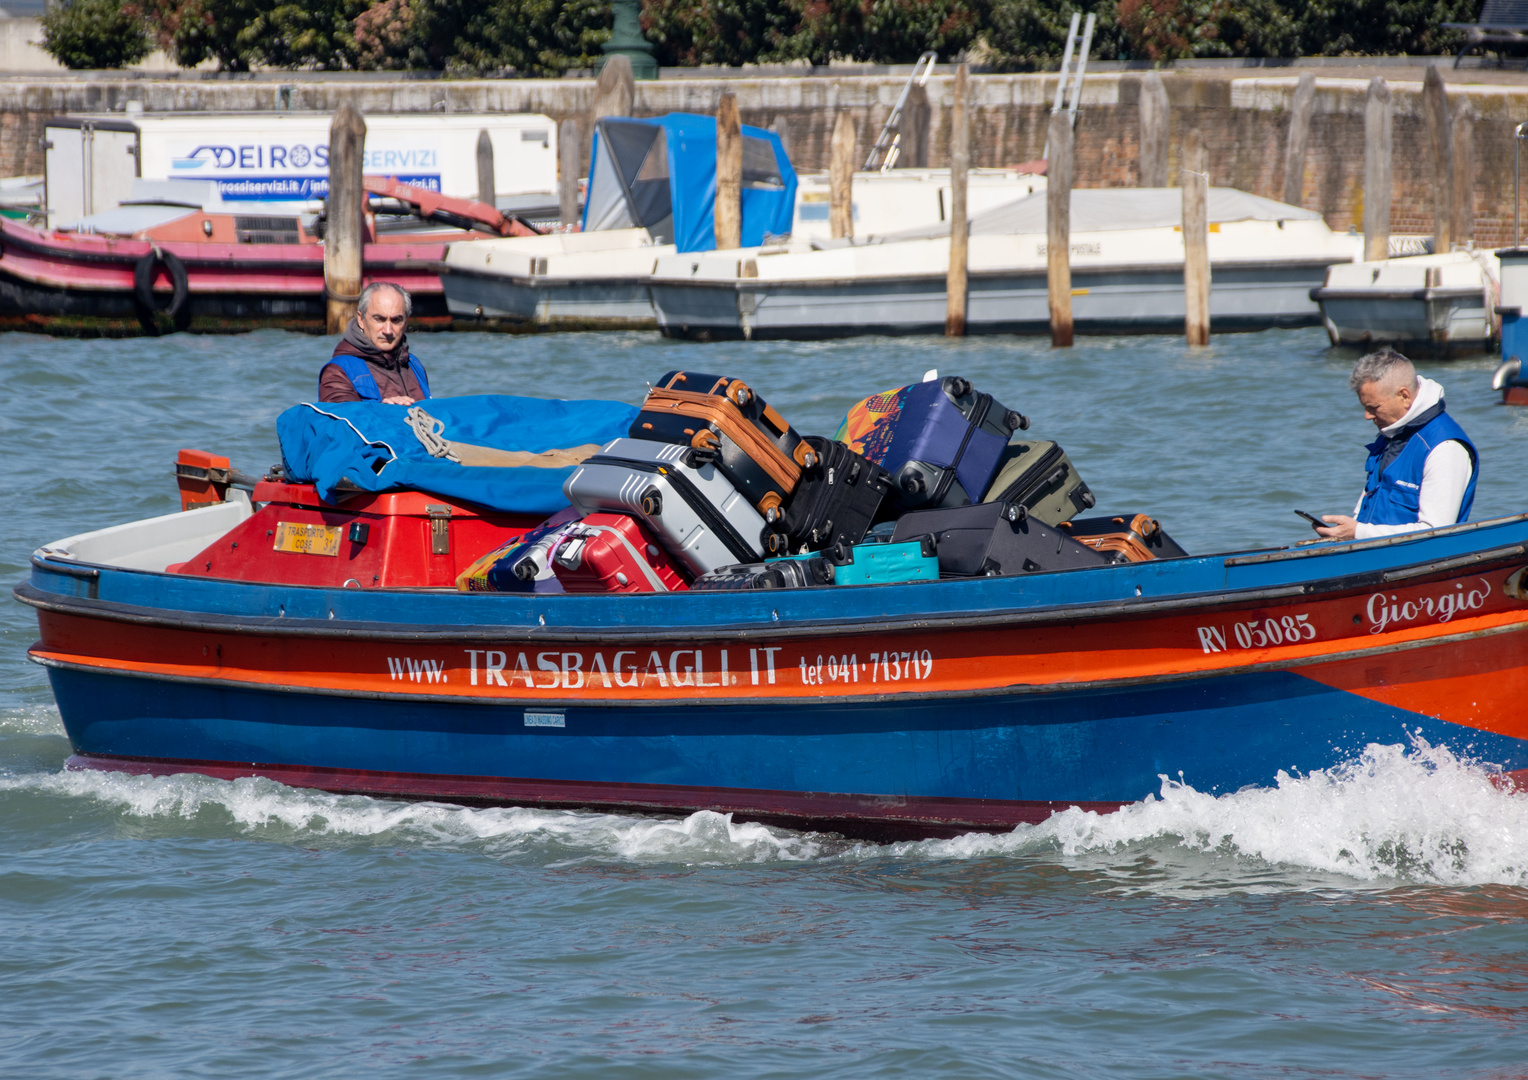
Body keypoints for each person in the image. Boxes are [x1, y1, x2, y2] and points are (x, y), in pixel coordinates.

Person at [1316, 347, 1477, 541]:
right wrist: (1343, 535)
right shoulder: (1392, 435)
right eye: (1364, 407)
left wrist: (1358, 532)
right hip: (1371, 555)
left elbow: (1435, 532)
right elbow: (1362, 513)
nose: (1367, 416)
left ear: (1404, 396)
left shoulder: (1445, 448)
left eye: (1373, 407)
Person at [318, 282, 431, 404]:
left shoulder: (414, 365)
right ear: (361, 320)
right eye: (379, 319)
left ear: (406, 323)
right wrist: (381, 410)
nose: (388, 330)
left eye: (396, 320)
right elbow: (340, 419)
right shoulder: (337, 371)